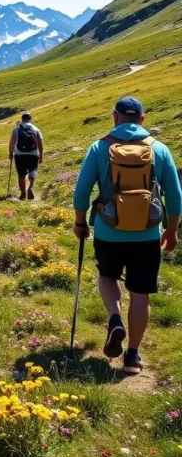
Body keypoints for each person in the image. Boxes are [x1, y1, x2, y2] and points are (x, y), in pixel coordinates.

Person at [73, 96, 181, 375]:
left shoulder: (99, 147)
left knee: (107, 276)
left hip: (109, 231)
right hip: (147, 234)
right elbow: (176, 194)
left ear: (115, 117)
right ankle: (132, 356)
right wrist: (171, 229)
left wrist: (80, 222)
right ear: (142, 120)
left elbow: (82, 191)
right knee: (140, 292)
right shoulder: (159, 149)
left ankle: (114, 318)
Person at [9, 112, 44, 200]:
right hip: (33, 154)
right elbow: (40, 143)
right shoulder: (35, 129)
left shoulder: (17, 129)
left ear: (22, 119)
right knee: (32, 170)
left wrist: (10, 153)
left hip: (19, 154)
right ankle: (30, 187)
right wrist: (41, 156)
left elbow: (12, 143)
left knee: (21, 175)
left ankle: (23, 194)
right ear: (30, 119)